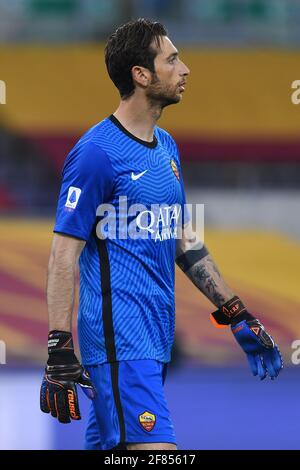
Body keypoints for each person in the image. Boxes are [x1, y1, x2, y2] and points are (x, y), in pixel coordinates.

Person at [40, 18, 283, 451]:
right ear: (141, 75)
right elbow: (63, 255)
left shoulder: (167, 147)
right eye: (172, 60)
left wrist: (236, 312)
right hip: (120, 341)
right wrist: (59, 348)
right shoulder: (97, 153)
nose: (185, 69)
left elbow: (183, 239)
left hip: (154, 339)